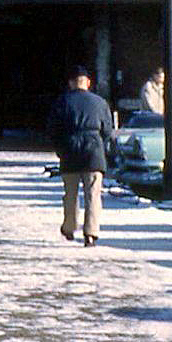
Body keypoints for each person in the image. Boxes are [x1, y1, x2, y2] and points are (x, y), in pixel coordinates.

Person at [45, 64, 114, 246]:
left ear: (70, 83)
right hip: (94, 152)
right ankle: (91, 233)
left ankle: (69, 227)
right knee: (93, 194)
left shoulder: (62, 102)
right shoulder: (100, 102)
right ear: (88, 83)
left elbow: (53, 130)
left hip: (70, 150)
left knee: (70, 194)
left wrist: (61, 149)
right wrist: (101, 145)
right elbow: (107, 130)